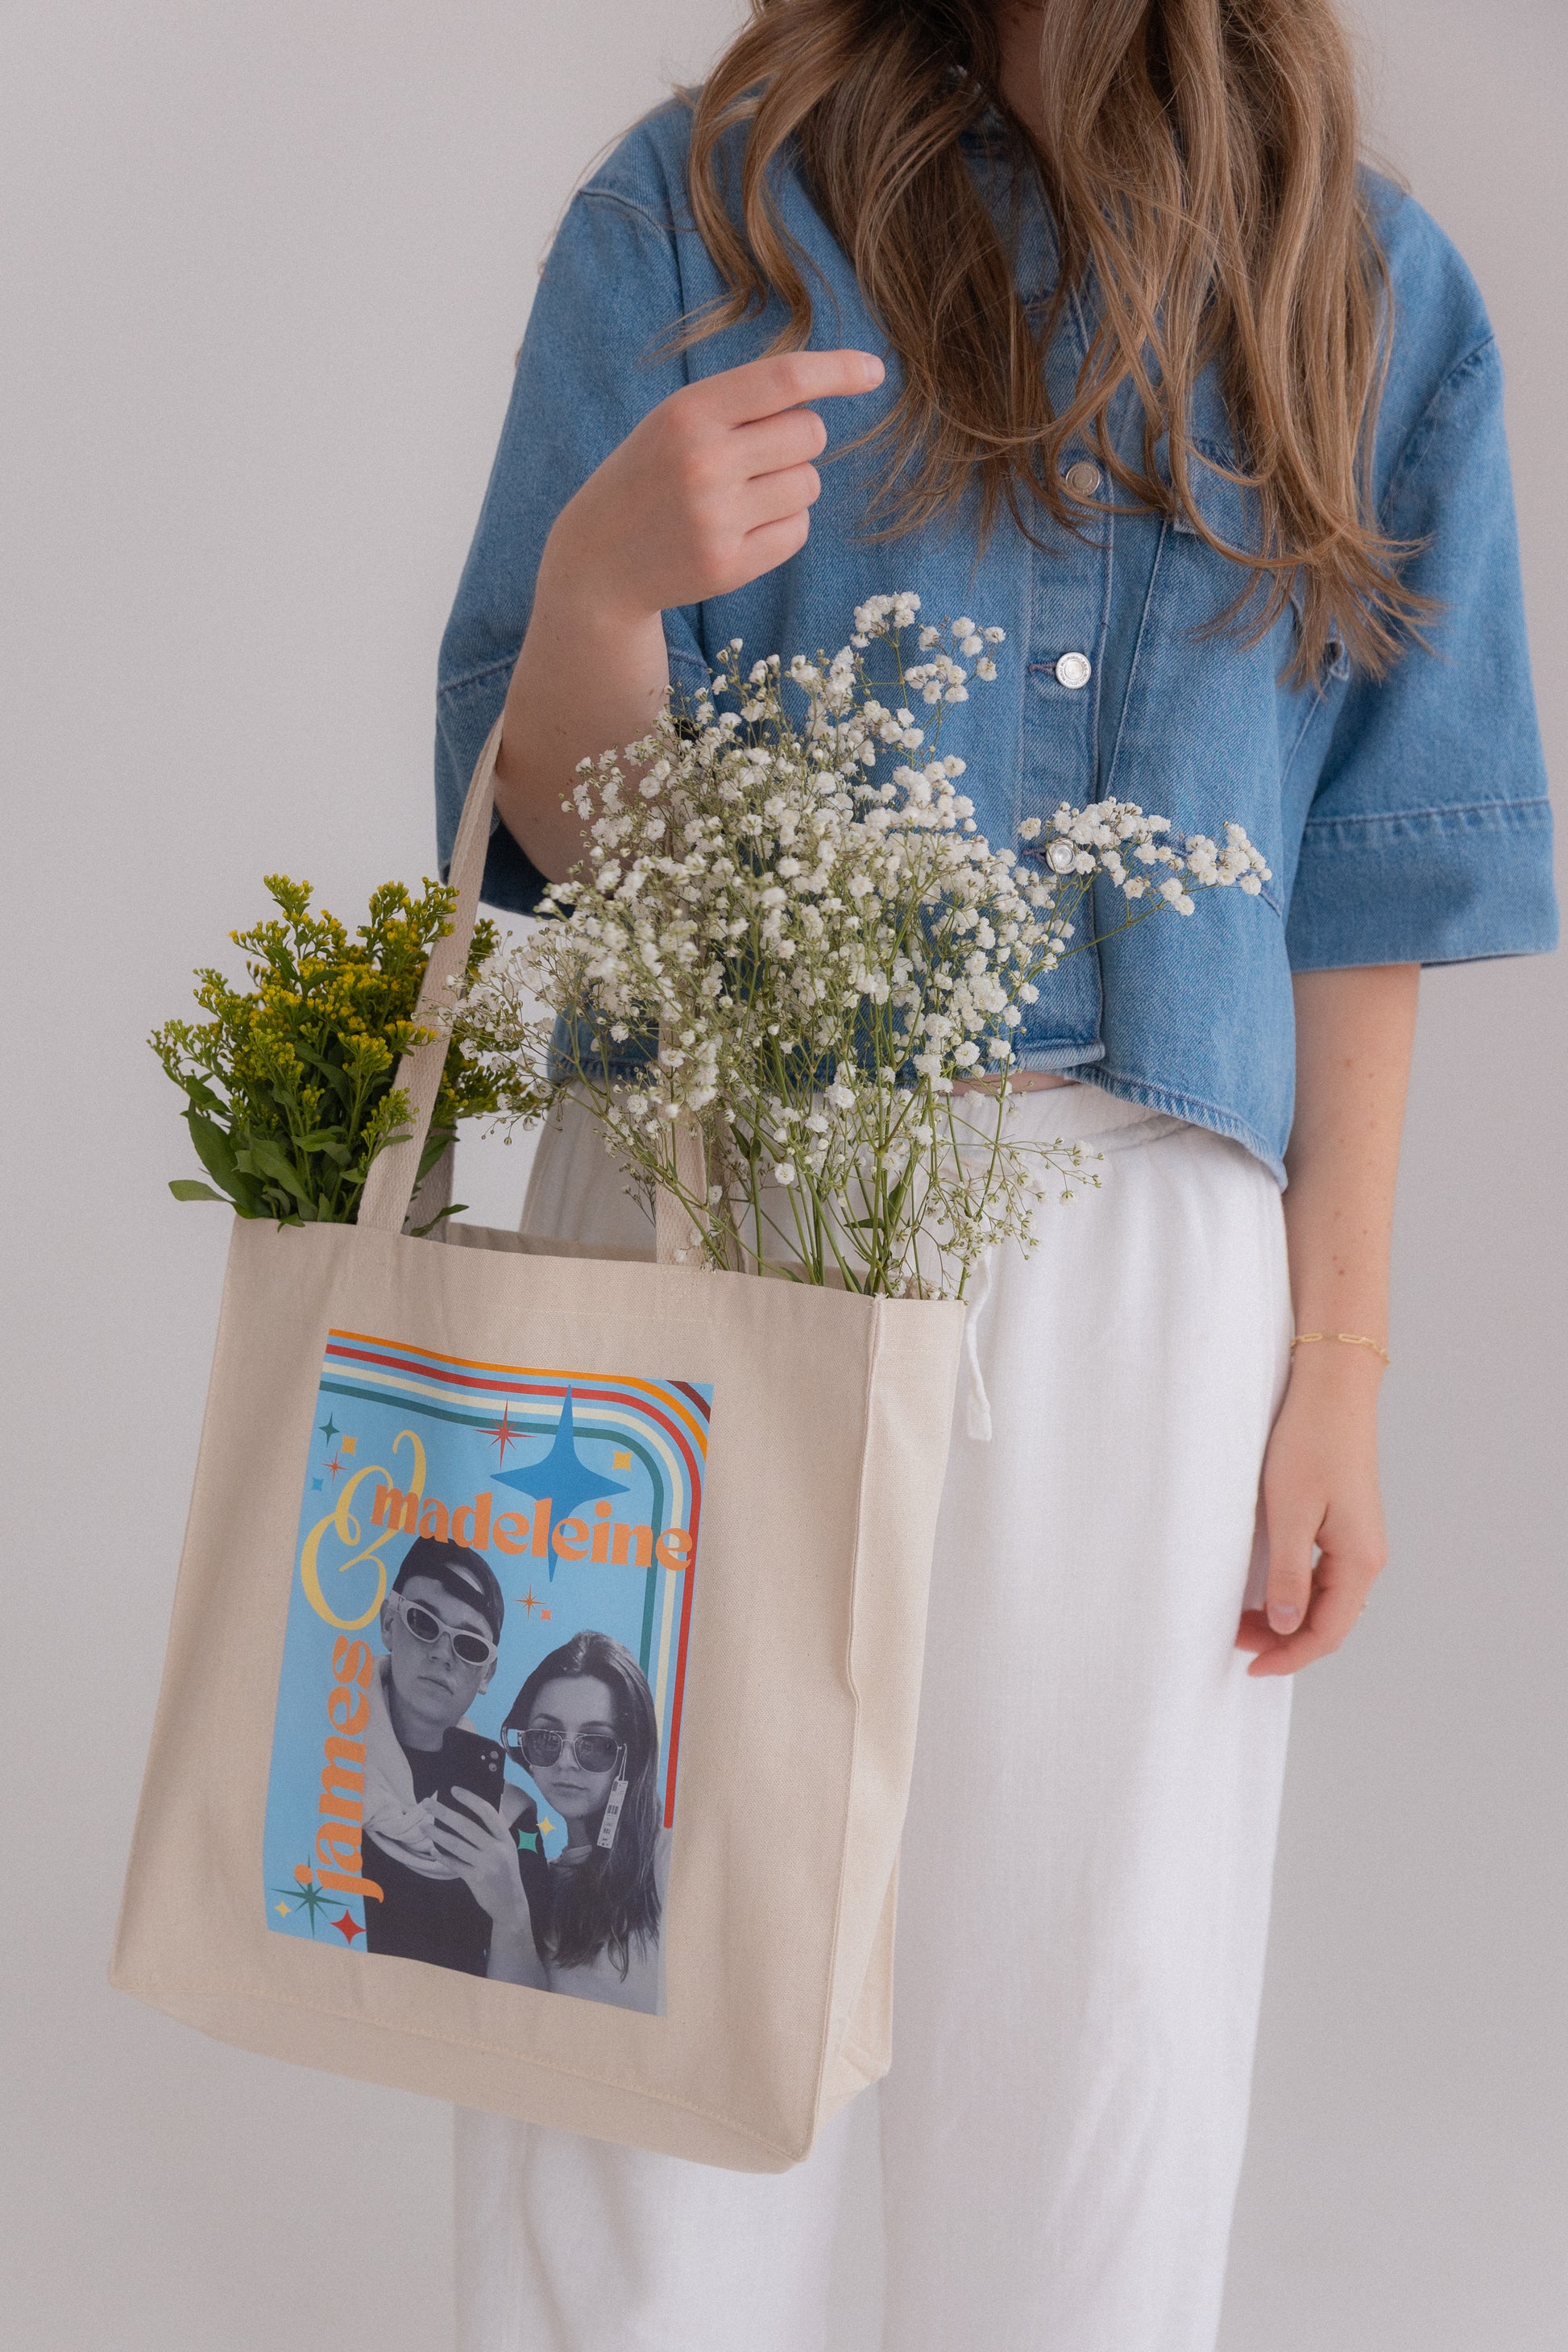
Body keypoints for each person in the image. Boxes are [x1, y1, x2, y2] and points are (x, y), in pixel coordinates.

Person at [434, 5, 1558, 2347]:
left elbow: (1363, 890)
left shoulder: (1352, 276)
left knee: (1097, 2054)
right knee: (629, 2048)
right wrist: (601, 595)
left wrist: (1334, 1364)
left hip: (1149, 1257)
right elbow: (555, 833)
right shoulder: (699, 212)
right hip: (701, 1225)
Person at [362, 1536, 551, 1989]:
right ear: (389, 1623)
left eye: (469, 1646)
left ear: (486, 1675)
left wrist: (511, 1917)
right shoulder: (319, 1754)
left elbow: (534, 2012)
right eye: (423, 1623)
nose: (443, 1653)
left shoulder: (512, 1819)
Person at [500, 1630, 672, 2015]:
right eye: (547, 1738)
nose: (565, 1762)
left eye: (595, 1743)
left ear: (631, 1756)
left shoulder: (669, 1861)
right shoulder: (536, 1882)